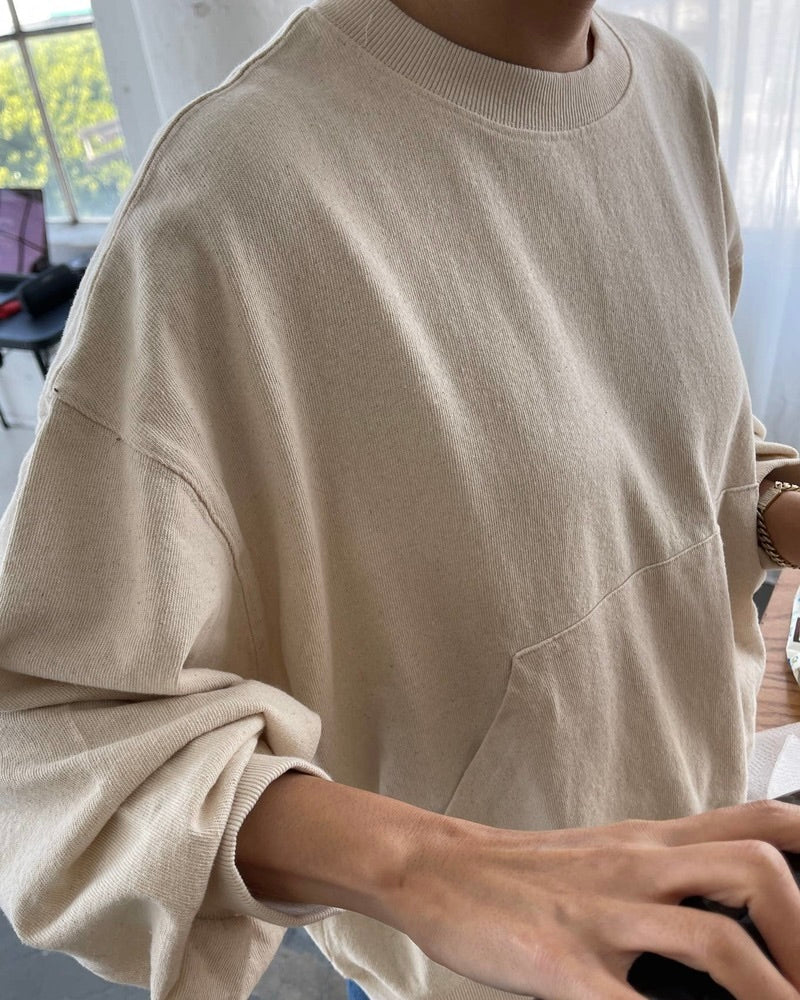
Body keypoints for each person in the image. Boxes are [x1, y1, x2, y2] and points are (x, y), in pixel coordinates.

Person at [1, 0, 800, 998]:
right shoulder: (236, 192)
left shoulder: (673, 90)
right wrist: (425, 865)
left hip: (723, 870)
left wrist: (775, 506)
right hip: (481, 973)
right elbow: (47, 744)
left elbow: (667, 448)